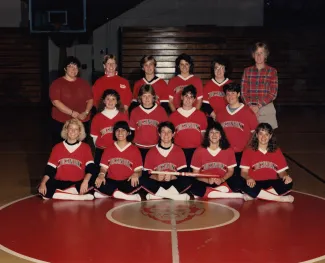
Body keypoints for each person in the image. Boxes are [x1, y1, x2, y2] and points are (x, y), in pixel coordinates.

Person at [38, 119, 95, 200]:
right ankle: (76, 196)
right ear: (66, 130)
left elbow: (91, 168)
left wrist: (85, 182)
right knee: (42, 190)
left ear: (80, 132)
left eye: (76, 129)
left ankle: (59, 194)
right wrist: (43, 183)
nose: (73, 131)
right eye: (71, 128)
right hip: (60, 182)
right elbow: (49, 169)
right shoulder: (57, 147)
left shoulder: (85, 147)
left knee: (92, 189)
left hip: (78, 183)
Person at [216, 82, 258, 188]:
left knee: (238, 184)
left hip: (242, 154)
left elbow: (255, 134)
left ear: (239, 94)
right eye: (228, 94)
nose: (230, 96)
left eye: (233, 93)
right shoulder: (220, 114)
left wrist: (248, 151)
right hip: (225, 153)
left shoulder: (248, 112)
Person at [240, 123, 294, 202]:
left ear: (270, 136)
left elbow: (281, 172)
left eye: (266, 134)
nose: (263, 137)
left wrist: (286, 176)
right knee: (246, 185)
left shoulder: (276, 151)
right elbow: (243, 172)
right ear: (256, 135)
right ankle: (279, 198)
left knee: (288, 183)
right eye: (261, 134)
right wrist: (249, 178)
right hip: (255, 182)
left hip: (271, 183)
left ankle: (257, 195)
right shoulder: (248, 151)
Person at [190, 122, 243, 199]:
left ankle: (210, 192)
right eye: (211, 132)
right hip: (206, 182)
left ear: (221, 135)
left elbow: (231, 171)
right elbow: (195, 174)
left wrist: (222, 179)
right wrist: (207, 180)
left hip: (222, 181)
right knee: (193, 186)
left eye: (217, 132)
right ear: (207, 135)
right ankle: (225, 194)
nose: (214, 135)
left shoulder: (228, 150)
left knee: (239, 181)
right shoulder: (199, 151)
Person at [93, 121, 143, 201]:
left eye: (123, 130)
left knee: (140, 180)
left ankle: (110, 193)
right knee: (96, 180)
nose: (120, 132)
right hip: (111, 181)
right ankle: (124, 195)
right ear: (114, 133)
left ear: (128, 133)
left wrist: (136, 174)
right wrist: (101, 174)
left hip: (127, 181)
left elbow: (139, 170)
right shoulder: (108, 149)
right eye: (117, 130)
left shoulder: (134, 150)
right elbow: (103, 168)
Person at [141, 121, 192, 200]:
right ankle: (174, 196)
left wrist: (173, 176)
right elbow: (145, 174)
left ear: (173, 134)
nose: (166, 135)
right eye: (163, 132)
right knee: (142, 180)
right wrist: (156, 177)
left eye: (169, 132)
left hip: (173, 183)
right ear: (159, 134)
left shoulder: (179, 151)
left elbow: (183, 172)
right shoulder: (151, 151)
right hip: (158, 183)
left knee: (188, 179)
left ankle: (158, 196)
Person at [49, 56, 93, 146]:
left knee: (81, 147)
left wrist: (86, 112)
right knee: (61, 147)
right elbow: (55, 102)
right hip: (62, 122)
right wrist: (72, 113)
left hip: (81, 121)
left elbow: (90, 99)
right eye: (71, 66)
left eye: (76, 67)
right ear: (65, 68)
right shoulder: (57, 83)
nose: (74, 69)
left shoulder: (84, 83)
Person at [169, 85, 207, 170]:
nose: (188, 99)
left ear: (194, 100)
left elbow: (204, 135)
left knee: (195, 176)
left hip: (196, 150)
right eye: (186, 96)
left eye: (191, 97)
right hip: (179, 151)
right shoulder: (173, 116)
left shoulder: (201, 115)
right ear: (182, 97)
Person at [241, 42, 278, 129]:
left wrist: (258, 106)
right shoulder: (247, 71)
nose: (259, 55)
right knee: (249, 139)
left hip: (266, 108)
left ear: (266, 55)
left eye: (261, 53)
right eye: (256, 53)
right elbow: (243, 92)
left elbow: (273, 93)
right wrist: (251, 106)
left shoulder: (272, 71)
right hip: (249, 108)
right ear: (253, 55)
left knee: (266, 139)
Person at [129, 84, 168, 162]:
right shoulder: (134, 111)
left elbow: (165, 131)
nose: (147, 99)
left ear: (154, 97)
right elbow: (131, 132)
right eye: (144, 96)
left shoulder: (161, 111)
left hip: (155, 147)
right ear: (140, 97)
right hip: (138, 148)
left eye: (149, 96)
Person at [90, 89, 128, 166]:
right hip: (101, 151)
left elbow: (127, 134)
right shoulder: (97, 117)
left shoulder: (123, 116)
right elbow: (94, 137)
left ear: (117, 101)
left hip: (118, 150)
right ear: (104, 101)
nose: (110, 102)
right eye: (108, 99)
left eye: (113, 99)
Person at [202, 56, 232, 122]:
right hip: (212, 118)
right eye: (216, 68)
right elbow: (205, 104)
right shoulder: (208, 85)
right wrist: (214, 116)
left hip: (228, 117)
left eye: (222, 68)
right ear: (213, 70)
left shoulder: (231, 84)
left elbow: (234, 103)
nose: (219, 70)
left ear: (225, 70)